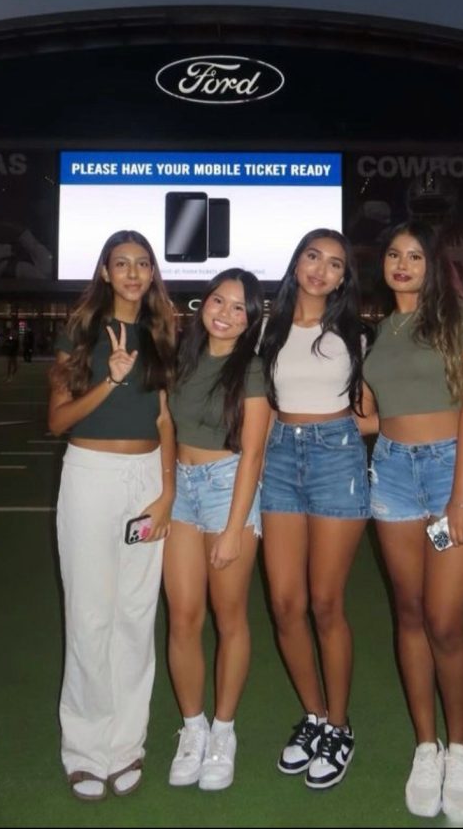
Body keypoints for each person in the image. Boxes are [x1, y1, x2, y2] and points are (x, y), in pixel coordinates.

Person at [360, 221, 463, 820]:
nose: (402, 263)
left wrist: (461, 494)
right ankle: (426, 746)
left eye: (414, 255)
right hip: (390, 472)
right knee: (409, 613)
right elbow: (369, 418)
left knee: (445, 622)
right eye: (394, 254)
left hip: (451, 474)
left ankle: (461, 748)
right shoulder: (379, 331)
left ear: (432, 265)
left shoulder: (459, 318)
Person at [48, 230, 176, 802]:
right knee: (90, 615)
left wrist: (167, 492)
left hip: (146, 481)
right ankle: (84, 748)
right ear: (104, 271)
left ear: (152, 273)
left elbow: (166, 421)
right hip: (90, 479)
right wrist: (111, 380)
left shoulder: (162, 333)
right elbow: (58, 421)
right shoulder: (79, 332)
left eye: (141, 263)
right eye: (120, 263)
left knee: (134, 614)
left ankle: (126, 745)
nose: (131, 272)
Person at [259, 228, 369, 790]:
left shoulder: (353, 332)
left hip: (336, 461)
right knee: (284, 603)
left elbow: (372, 412)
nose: (320, 270)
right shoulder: (267, 327)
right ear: (297, 262)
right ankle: (314, 715)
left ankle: (340, 726)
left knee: (326, 603)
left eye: (334, 264)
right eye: (312, 257)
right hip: (278, 459)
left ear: (344, 277)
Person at [163, 269, 269, 792]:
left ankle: (224, 731)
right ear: (203, 303)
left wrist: (233, 528)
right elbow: (165, 428)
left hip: (229, 488)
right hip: (181, 487)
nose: (224, 313)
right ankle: (193, 727)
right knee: (183, 616)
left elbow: (253, 454)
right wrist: (165, 493)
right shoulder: (183, 357)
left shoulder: (251, 370)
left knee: (230, 618)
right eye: (218, 300)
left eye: (238, 308)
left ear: (251, 321)